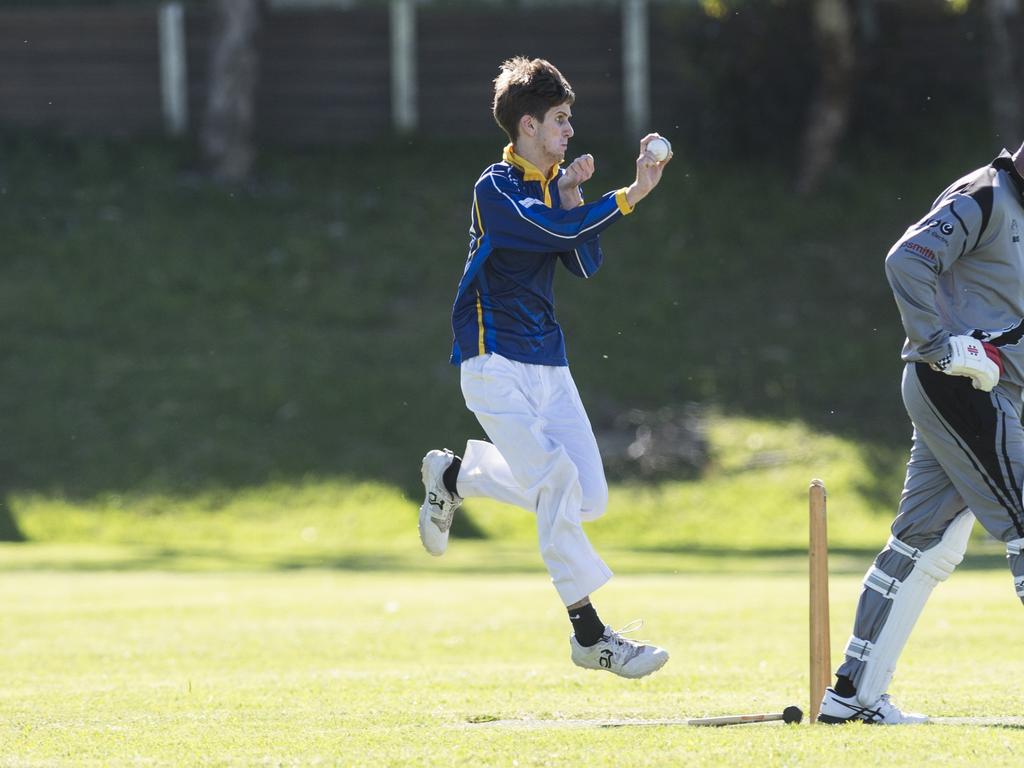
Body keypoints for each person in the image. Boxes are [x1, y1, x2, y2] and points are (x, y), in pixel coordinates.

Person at [417, 57, 672, 679]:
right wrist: (631, 194)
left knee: (586, 497)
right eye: (560, 120)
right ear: (527, 124)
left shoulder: (549, 185)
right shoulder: (497, 189)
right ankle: (590, 634)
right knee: (556, 480)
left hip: (548, 364)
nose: (569, 131)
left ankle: (459, 478)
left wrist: (572, 194)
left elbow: (583, 264)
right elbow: (550, 233)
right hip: (491, 360)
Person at [818, 141, 1024, 724]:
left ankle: (851, 698)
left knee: (924, 543)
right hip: (961, 387)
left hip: (984, 391)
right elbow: (906, 258)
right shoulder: (985, 195)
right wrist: (939, 346)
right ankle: (854, 698)